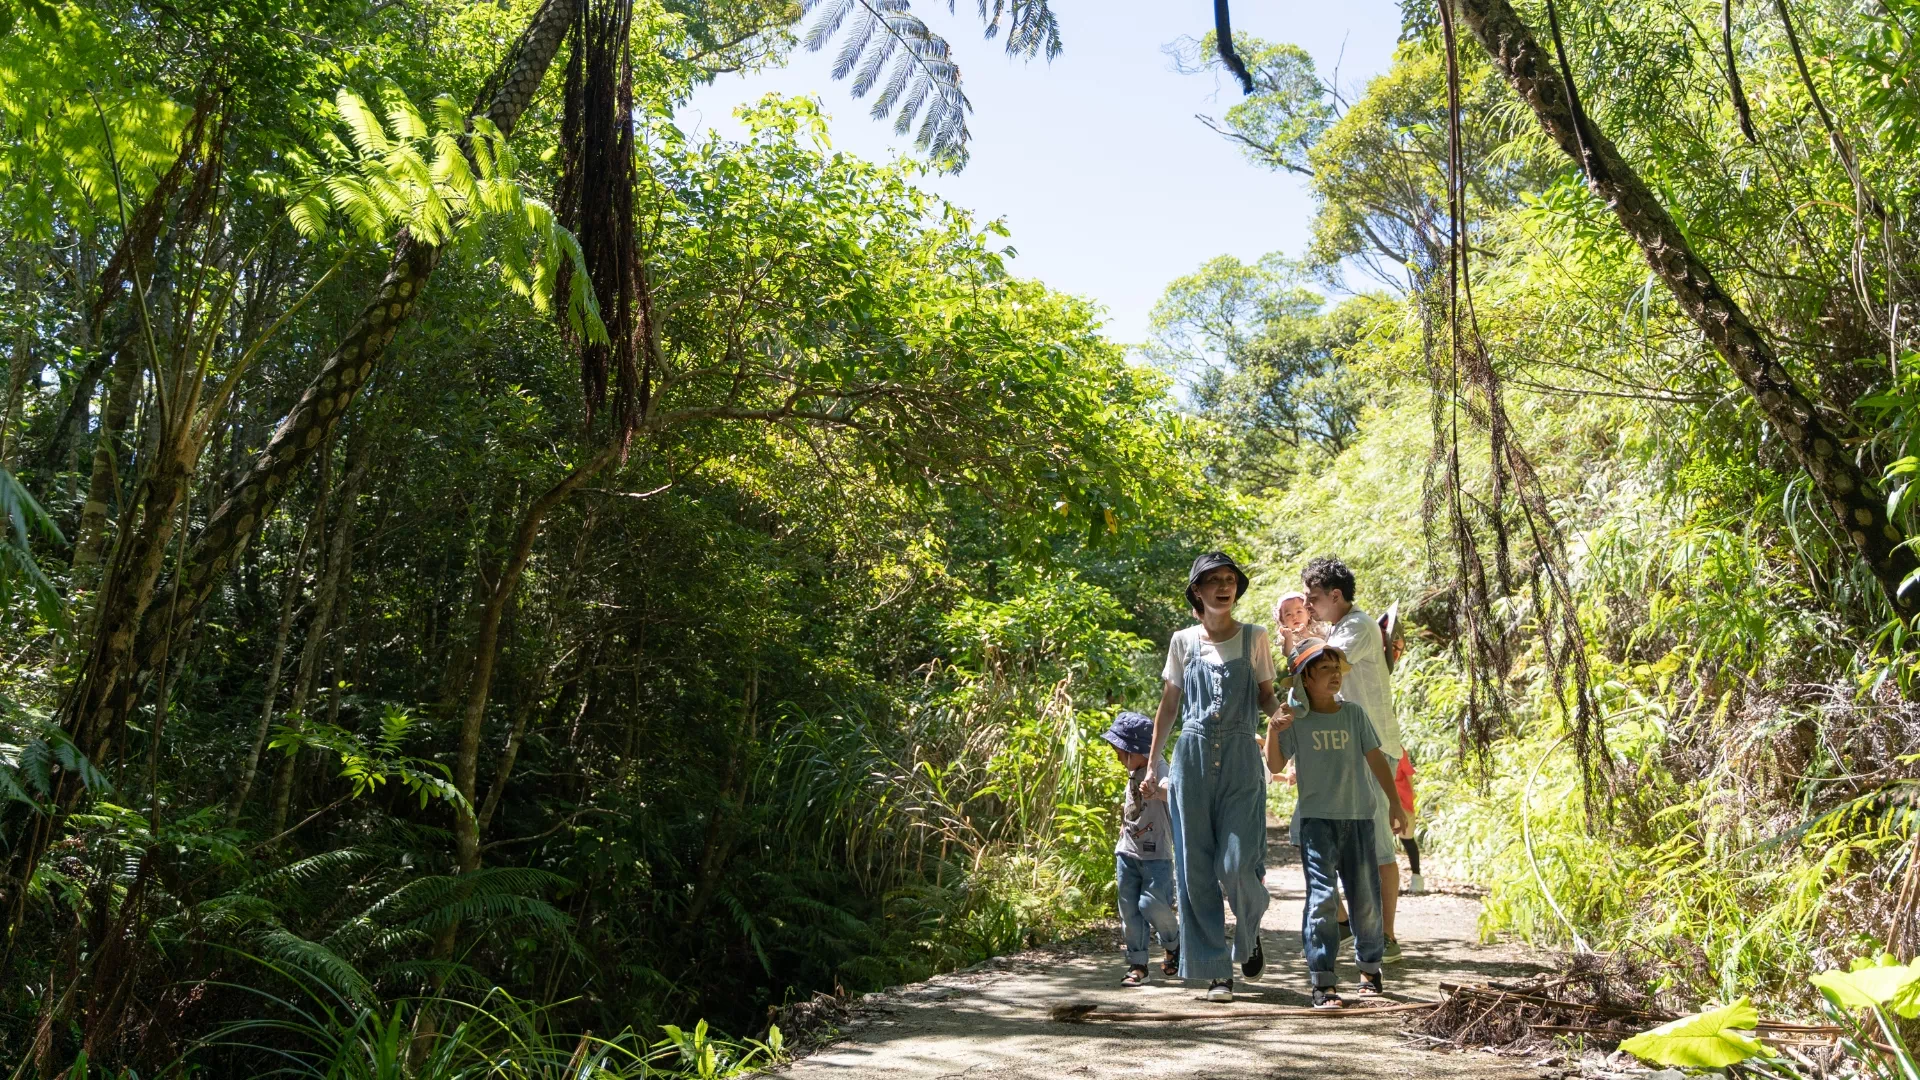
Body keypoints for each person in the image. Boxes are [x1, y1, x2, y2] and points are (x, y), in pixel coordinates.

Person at [1142, 552, 1288, 1003]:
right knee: (1195, 869)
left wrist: (1277, 715)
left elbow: (1266, 695)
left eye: (1230, 579)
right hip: (1193, 756)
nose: (1224, 586)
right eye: (1213, 580)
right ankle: (1216, 971)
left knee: (1237, 863)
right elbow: (1169, 706)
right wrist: (1153, 763)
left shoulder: (1255, 638)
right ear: (1198, 592)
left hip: (1243, 754)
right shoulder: (1183, 642)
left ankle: (1247, 934)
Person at [1264, 638, 1409, 1008]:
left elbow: (1376, 759)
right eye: (1324, 669)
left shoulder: (1354, 714)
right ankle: (1323, 980)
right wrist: (1273, 729)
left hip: (1359, 818)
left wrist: (1394, 803)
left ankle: (1369, 970)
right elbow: (1276, 766)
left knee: (1366, 900)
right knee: (1322, 898)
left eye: (1336, 669)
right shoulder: (1296, 720)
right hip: (1317, 824)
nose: (1334, 676)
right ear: (1304, 679)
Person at [1303, 555, 1410, 960]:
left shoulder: (1359, 628)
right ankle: (1350, 925)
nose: (1309, 605)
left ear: (1335, 595)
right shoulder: (1342, 627)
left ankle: (1386, 937)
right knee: (1326, 838)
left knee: (1379, 845)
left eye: (1314, 598)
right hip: (1347, 747)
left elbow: (1317, 667)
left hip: (1373, 748)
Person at [1102, 710, 1180, 986]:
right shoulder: (1133, 770)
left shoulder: (1158, 767)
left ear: (1138, 750)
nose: (1118, 756)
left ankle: (1174, 942)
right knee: (1129, 909)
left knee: (1152, 904)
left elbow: (1174, 793)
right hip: (1127, 851)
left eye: (1121, 751)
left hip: (1157, 854)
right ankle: (1138, 964)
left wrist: (1157, 791)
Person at [1377, 603, 1424, 896]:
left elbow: (1407, 776)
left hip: (1401, 802)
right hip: (1390, 801)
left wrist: (1403, 803)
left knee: (1406, 842)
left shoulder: (1397, 750)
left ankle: (1416, 878)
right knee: (1390, 842)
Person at [1272, 591, 1328, 656]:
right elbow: (1289, 654)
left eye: (1299, 611)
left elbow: (1325, 642)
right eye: (1288, 614)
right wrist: (1288, 638)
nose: (1294, 617)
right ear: (1282, 620)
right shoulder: (1286, 635)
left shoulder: (1316, 627)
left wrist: (1307, 634)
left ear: (1309, 613)